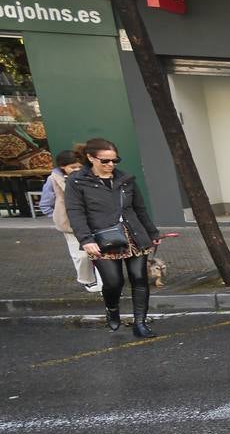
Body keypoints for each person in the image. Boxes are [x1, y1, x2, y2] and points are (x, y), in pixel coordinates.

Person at [66, 138, 160, 337]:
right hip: (101, 238)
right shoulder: (77, 181)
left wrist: (152, 234)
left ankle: (140, 323)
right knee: (113, 282)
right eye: (105, 161)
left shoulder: (126, 179)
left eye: (115, 161)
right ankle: (112, 309)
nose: (111, 165)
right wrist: (86, 240)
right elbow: (75, 212)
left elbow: (140, 209)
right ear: (91, 158)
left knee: (139, 278)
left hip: (134, 235)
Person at [39, 150, 100, 293]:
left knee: (99, 251)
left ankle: (103, 278)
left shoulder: (89, 175)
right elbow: (45, 203)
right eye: (73, 167)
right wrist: (58, 216)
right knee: (80, 255)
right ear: (62, 166)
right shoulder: (53, 179)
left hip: (92, 220)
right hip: (69, 224)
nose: (77, 170)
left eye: (79, 166)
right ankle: (88, 280)